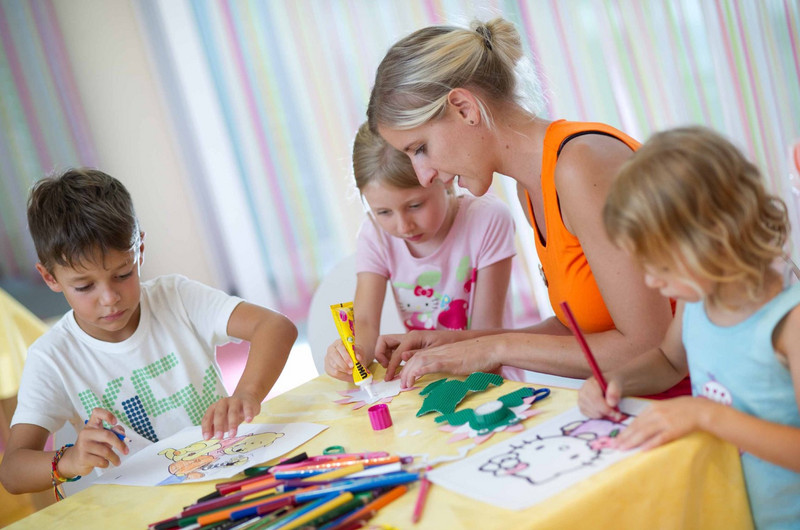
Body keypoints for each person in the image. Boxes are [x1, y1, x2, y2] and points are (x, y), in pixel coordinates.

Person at [366, 17, 679, 390]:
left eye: (420, 149)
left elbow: (651, 350)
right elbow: (582, 329)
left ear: (464, 107)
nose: (424, 176)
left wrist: (497, 347)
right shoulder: (530, 189)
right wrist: (458, 344)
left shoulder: (583, 166)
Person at [0, 169, 298, 496]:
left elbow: (275, 327)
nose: (109, 298)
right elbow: (13, 472)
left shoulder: (177, 297)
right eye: (84, 286)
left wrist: (246, 394)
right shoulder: (53, 357)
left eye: (123, 274)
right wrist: (70, 460)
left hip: (220, 482)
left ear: (139, 248)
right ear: (50, 278)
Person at [577, 126, 800, 528]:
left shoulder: (790, 323)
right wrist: (615, 381)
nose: (649, 282)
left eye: (659, 266)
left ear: (713, 238)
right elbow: (668, 361)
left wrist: (705, 415)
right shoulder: (698, 302)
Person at [324, 123, 516, 381]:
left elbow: (485, 335)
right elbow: (366, 321)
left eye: (415, 205)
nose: (403, 226)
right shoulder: (375, 234)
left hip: (490, 379)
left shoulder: (487, 219)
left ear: (441, 178)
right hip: (427, 378)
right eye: (383, 212)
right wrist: (353, 354)